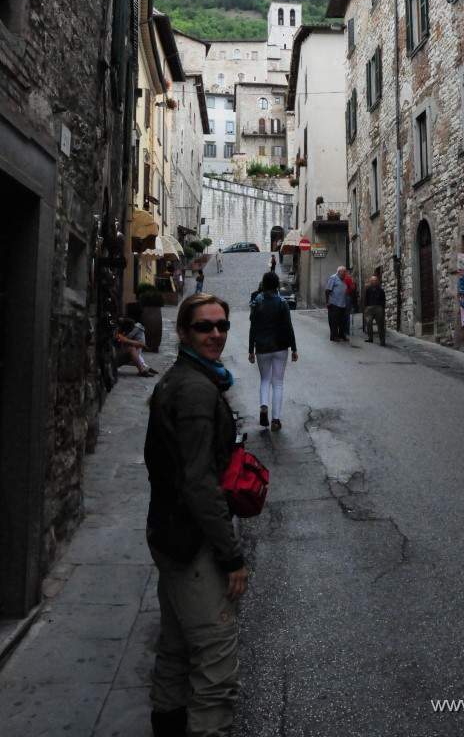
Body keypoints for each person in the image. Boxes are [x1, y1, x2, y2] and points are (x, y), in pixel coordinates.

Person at [144, 293, 248, 737]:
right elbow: (199, 484)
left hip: (169, 533)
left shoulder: (186, 378)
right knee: (215, 661)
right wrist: (231, 555)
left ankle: (166, 725)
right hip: (192, 541)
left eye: (222, 325)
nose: (216, 334)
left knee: (174, 646)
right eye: (205, 327)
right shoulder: (194, 391)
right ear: (184, 332)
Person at [249, 271, 297, 431]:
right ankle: (276, 419)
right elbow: (289, 327)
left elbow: (253, 327)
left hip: (262, 347)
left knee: (264, 380)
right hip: (280, 347)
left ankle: (264, 406)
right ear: (277, 285)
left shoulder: (257, 303)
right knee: (277, 383)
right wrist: (294, 348)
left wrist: (250, 349)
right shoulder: (282, 303)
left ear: (264, 284)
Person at [325, 266, 348, 342]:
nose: (345, 273)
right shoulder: (333, 277)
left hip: (342, 303)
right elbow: (327, 290)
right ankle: (334, 336)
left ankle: (342, 335)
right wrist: (327, 301)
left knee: (343, 321)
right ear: (339, 272)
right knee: (334, 321)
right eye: (344, 272)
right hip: (334, 303)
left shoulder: (343, 279)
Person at [364, 275, 387, 346]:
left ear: (377, 281)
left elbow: (383, 300)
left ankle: (382, 341)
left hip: (378, 308)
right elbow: (365, 299)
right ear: (370, 281)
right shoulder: (368, 289)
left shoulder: (380, 290)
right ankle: (370, 337)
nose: (373, 282)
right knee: (368, 323)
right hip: (369, 308)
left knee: (380, 325)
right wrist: (366, 308)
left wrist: (382, 308)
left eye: (374, 280)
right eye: (372, 280)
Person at [343, 270, 356, 336]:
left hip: (344, 297)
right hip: (346, 296)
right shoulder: (348, 278)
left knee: (343, 314)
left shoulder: (336, 278)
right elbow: (352, 288)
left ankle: (343, 330)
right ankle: (346, 330)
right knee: (346, 314)